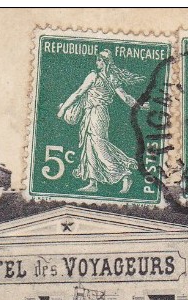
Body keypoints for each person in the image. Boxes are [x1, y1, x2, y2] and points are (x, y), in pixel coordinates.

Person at [57, 50, 145, 194]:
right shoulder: (112, 77)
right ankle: (93, 182)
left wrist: (63, 109)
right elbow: (125, 97)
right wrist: (138, 105)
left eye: (98, 60)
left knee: (99, 145)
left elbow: (78, 93)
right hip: (93, 113)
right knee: (89, 145)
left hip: (97, 113)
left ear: (104, 62)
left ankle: (124, 174)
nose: (96, 63)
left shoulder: (95, 76)